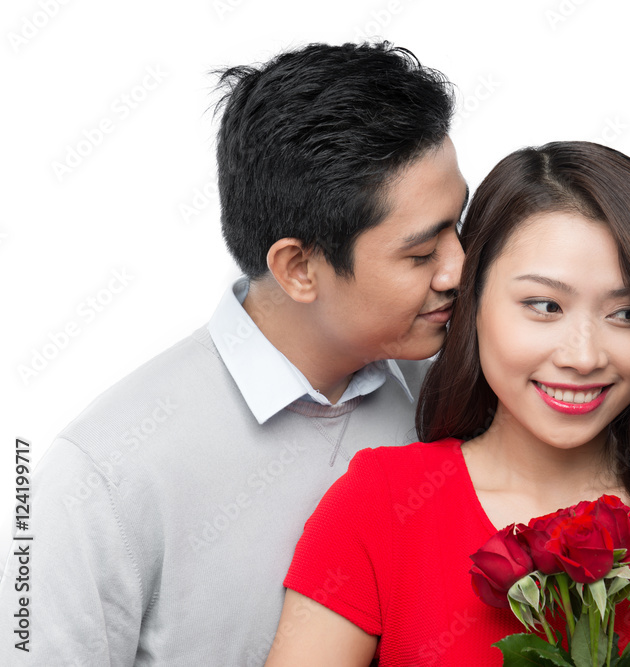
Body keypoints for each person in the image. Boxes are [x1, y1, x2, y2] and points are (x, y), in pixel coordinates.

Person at [266, 141, 630, 666]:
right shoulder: (381, 507)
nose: (583, 356)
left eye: (626, 313)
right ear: (472, 300)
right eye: (543, 306)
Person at [0, 42, 467, 665]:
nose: (459, 267)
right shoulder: (103, 477)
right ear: (298, 267)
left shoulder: (455, 388)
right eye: (420, 253)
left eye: (456, 226)